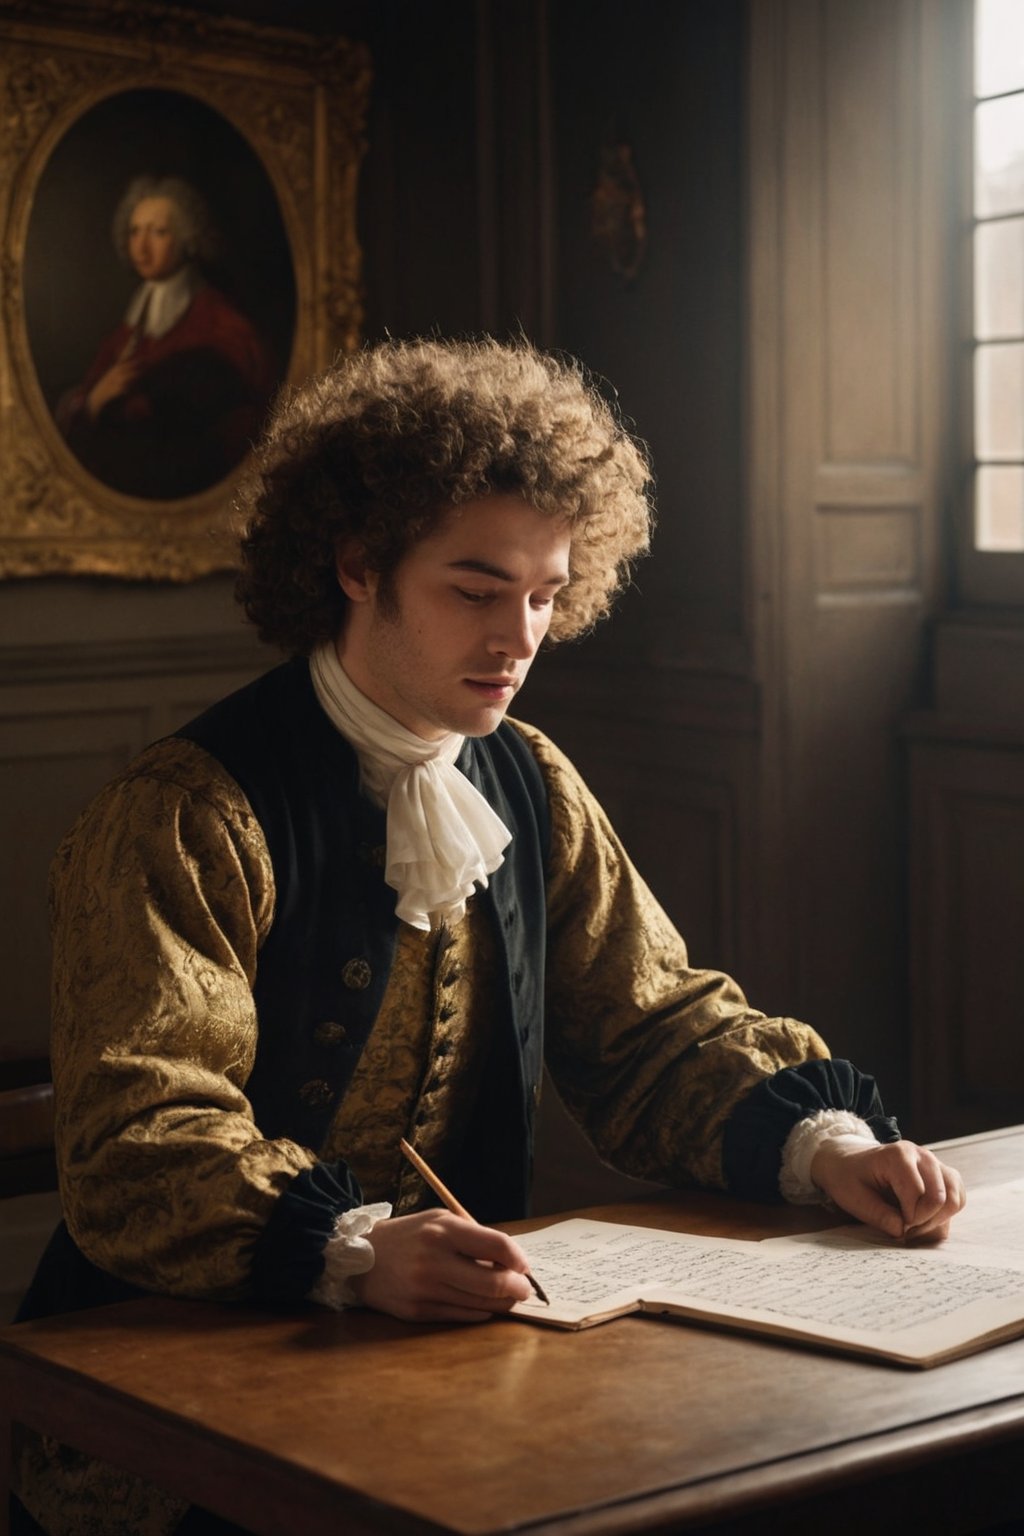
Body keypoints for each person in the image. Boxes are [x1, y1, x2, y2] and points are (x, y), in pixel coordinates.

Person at [14, 336, 964, 1536]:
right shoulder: (188, 813)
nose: (519, 637)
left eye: (547, 594)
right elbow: (136, 1136)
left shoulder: (527, 780)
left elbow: (649, 1025)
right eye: (475, 589)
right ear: (358, 565)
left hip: (435, 1360)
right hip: (169, 1383)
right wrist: (349, 1245)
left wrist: (821, 1146)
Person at [55, 175, 276, 501]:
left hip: (194, 486)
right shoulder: (130, 325)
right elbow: (92, 398)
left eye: (158, 232)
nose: (142, 246)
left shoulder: (218, 318)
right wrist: (93, 402)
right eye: (135, 231)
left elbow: (245, 402)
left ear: (187, 239)